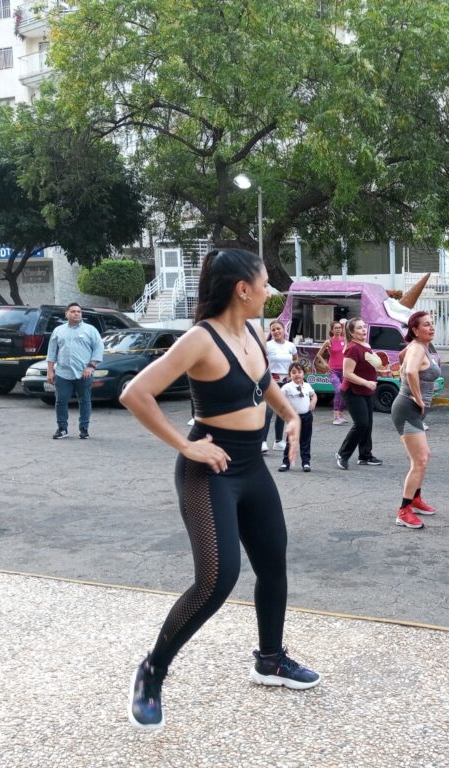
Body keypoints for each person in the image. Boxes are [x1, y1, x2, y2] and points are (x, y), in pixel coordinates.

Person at [120, 248, 320, 731]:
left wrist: (291, 414)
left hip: (251, 466)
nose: (271, 290)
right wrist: (184, 447)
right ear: (242, 290)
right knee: (217, 580)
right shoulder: (199, 340)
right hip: (209, 470)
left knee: (274, 564)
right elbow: (135, 394)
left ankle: (270, 659)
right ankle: (153, 670)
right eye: (265, 283)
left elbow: (262, 383)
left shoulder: (250, 332)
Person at [391, 311, 441, 529]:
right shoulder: (418, 348)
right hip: (407, 408)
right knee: (419, 460)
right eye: (426, 325)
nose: (431, 328)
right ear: (414, 330)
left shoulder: (418, 348)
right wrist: (419, 399)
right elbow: (411, 372)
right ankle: (403, 511)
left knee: (424, 457)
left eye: (432, 324)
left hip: (411, 409)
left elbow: (403, 359)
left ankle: (416, 499)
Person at [46, 302, 104, 440]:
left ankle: (84, 429)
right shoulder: (58, 330)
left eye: (79, 311)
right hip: (62, 373)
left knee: (84, 400)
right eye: (73, 311)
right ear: (66, 314)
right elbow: (52, 352)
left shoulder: (90, 330)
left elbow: (98, 348)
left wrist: (91, 366)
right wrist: (50, 371)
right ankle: (62, 428)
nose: (76, 313)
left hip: (84, 373)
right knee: (61, 400)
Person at [335, 318, 384, 470]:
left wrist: (382, 372)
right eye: (360, 328)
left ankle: (365, 455)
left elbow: (365, 368)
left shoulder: (366, 346)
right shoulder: (352, 348)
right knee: (361, 423)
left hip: (366, 390)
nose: (364, 330)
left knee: (368, 424)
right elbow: (347, 373)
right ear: (351, 332)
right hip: (352, 391)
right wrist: (366, 383)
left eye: (364, 327)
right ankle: (342, 454)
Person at [258, 320, 298, 453]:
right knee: (268, 412)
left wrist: (291, 374)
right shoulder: (267, 345)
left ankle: (278, 441)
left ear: (284, 330)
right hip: (270, 381)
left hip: (286, 381)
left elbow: (295, 360)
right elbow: (260, 362)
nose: (276, 332)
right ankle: (262, 442)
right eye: (273, 330)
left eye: (278, 329)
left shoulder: (291, 345)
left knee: (282, 412)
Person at [279, 362, 316, 472]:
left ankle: (306, 463)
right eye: (293, 372)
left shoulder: (307, 386)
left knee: (305, 440)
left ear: (304, 374)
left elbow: (313, 395)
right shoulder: (287, 387)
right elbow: (279, 398)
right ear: (289, 375)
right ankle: (285, 463)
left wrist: (313, 401)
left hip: (307, 416)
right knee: (290, 441)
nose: (297, 375)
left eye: (299, 372)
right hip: (294, 418)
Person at [317, 320, 348, 425]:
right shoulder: (328, 342)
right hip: (333, 370)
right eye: (336, 328)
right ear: (332, 330)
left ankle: (340, 413)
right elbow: (319, 354)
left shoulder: (345, 340)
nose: (338, 330)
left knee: (344, 391)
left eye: (339, 328)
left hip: (344, 370)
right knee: (339, 390)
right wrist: (325, 364)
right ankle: (335, 416)